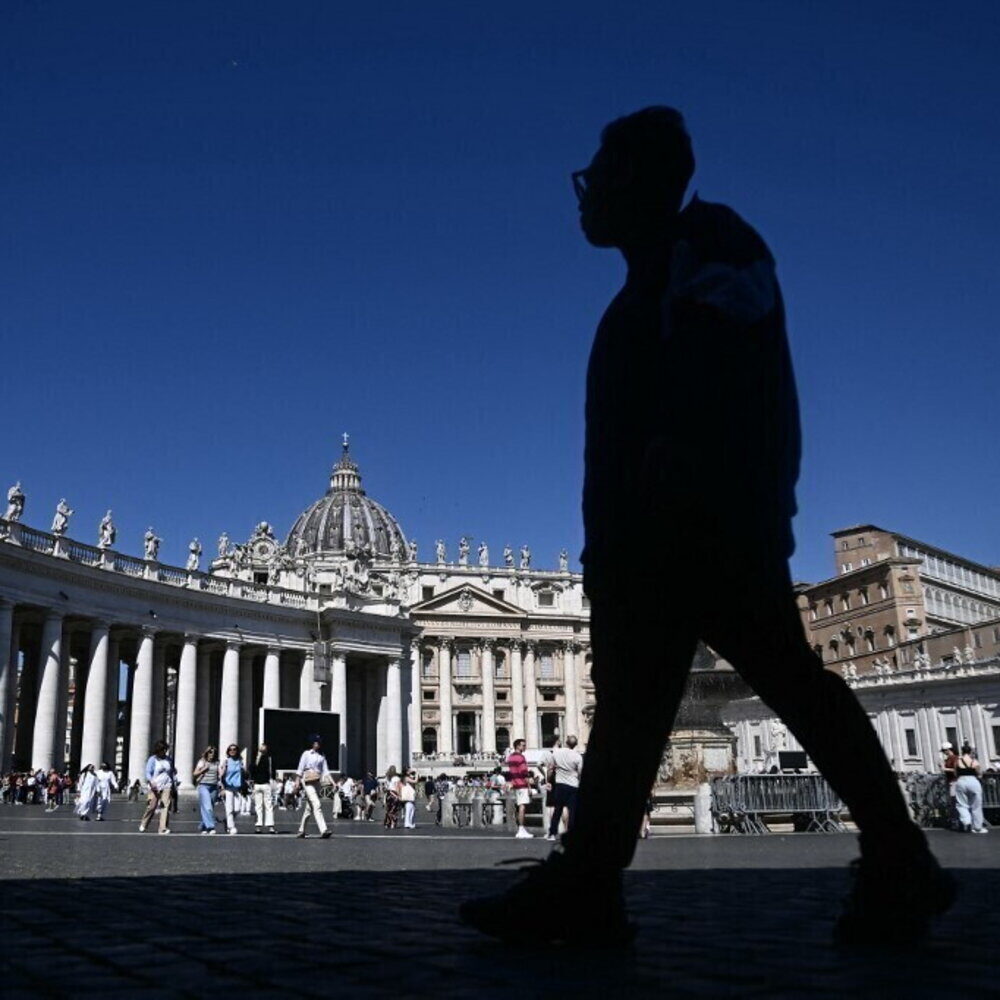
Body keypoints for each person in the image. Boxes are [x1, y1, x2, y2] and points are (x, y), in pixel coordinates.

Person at [460, 106, 954, 948]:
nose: (584, 196)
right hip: (647, 531)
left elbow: (720, 355)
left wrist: (685, 460)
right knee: (640, 705)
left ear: (643, 182)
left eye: (598, 177)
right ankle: (591, 884)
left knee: (780, 684)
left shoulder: (713, 243)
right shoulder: (648, 276)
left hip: (704, 520)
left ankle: (897, 857)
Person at [544, 735, 583, 842]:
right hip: (574, 785)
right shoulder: (578, 756)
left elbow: (551, 769)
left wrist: (548, 781)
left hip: (560, 785)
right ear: (575, 745)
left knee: (557, 810)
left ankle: (552, 833)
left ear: (566, 743)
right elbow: (580, 773)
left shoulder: (557, 753)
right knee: (572, 811)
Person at [295, 735, 332, 839]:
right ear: (312, 743)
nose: (317, 743)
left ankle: (301, 830)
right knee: (317, 804)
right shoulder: (306, 754)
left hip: (317, 782)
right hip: (306, 781)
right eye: (315, 742)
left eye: (319, 742)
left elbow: (326, 771)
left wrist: (333, 783)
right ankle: (323, 830)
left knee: (309, 808)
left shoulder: (322, 756)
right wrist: (297, 781)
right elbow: (300, 768)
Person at [139, 740, 175, 834]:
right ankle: (144, 823)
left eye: (165, 750)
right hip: (155, 785)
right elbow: (148, 772)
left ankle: (163, 828)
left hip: (167, 785)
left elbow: (170, 772)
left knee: (165, 805)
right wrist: (151, 782)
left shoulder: (169, 760)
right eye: (162, 750)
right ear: (158, 750)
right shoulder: (152, 759)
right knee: (152, 806)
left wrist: (173, 784)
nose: (164, 752)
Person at [955, 742, 987, 834]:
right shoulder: (974, 761)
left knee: (961, 804)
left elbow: (955, 773)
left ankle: (966, 821)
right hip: (973, 781)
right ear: (970, 752)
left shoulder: (958, 761)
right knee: (976, 805)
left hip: (961, 781)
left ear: (962, 751)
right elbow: (979, 774)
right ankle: (977, 827)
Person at [504, 739, 532, 839]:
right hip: (522, 784)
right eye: (523, 745)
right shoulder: (521, 757)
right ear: (518, 746)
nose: (525, 747)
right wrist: (529, 786)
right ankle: (521, 829)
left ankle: (521, 828)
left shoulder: (510, 757)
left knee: (520, 805)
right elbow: (524, 773)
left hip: (515, 783)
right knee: (522, 806)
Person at [220, 744, 246, 835]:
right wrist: (222, 788)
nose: (232, 751)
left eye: (234, 749)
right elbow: (221, 776)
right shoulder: (226, 762)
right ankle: (231, 827)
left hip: (238, 788)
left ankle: (227, 821)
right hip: (228, 787)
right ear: (228, 751)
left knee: (237, 809)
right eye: (230, 750)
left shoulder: (240, 761)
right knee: (229, 808)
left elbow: (243, 774)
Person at [192, 746, 220, 834]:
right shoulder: (202, 762)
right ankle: (210, 827)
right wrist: (204, 769)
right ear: (206, 753)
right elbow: (195, 773)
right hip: (203, 785)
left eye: (213, 752)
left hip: (214, 786)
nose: (212, 754)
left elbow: (219, 774)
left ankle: (203, 826)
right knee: (207, 807)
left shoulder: (217, 763)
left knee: (209, 807)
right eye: (210, 752)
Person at [251, 743, 277, 834]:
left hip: (263, 784)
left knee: (264, 805)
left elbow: (252, 770)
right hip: (261, 784)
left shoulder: (263, 759)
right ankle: (266, 826)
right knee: (265, 806)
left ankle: (262, 826)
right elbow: (253, 770)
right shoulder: (263, 759)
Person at [383, 765, 401, 829]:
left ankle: (387, 823)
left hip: (388, 794)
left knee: (388, 809)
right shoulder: (397, 778)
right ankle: (393, 823)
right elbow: (397, 787)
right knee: (394, 810)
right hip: (394, 794)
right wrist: (399, 796)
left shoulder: (387, 778)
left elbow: (385, 787)